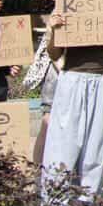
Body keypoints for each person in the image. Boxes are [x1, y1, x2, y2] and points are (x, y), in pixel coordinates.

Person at [43, 0, 103, 203]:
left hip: (100, 79)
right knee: (64, 139)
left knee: (95, 140)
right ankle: (56, 199)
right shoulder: (66, 9)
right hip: (72, 77)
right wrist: (55, 29)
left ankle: (87, 198)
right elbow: (54, 53)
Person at [24, 28, 61, 166]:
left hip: (76, 73)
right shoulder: (60, 11)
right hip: (57, 73)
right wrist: (61, 67)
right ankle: (38, 168)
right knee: (48, 122)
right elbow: (50, 41)